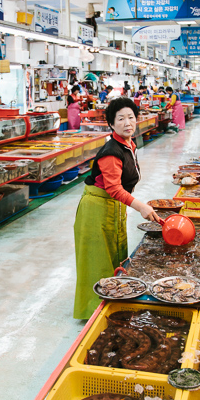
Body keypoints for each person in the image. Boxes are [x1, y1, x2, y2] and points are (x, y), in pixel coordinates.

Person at [73, 98, 159, 319]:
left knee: (115, 255)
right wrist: (140, 206)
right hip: (97, 209)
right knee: (97, 260)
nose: (127, 122)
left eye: (131, 117)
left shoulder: (128, 144)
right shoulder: (112, 151)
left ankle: (115, 301)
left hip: (112, 207)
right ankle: (94, 312)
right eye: (120, 119)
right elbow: (113, 188)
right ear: (111, 124)